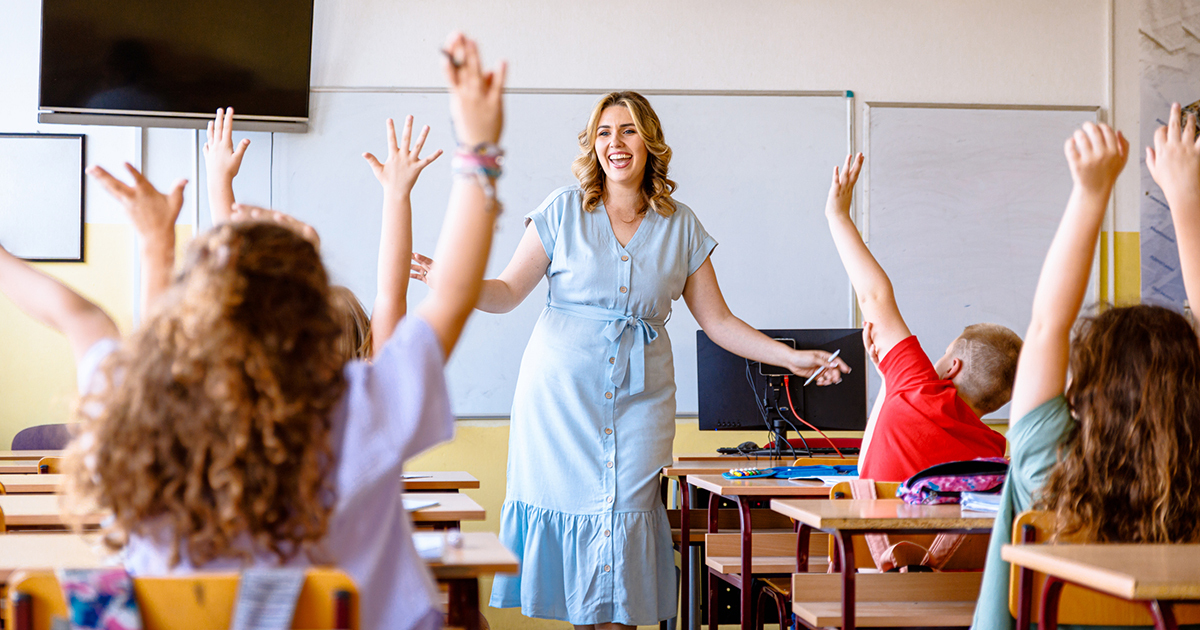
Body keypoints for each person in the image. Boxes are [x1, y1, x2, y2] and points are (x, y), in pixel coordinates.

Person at [0, 32, 502, 630]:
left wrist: (158, 246)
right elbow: (452, 293)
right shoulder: (362, 412)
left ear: (195, 316)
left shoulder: (138, 412)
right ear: (315, 319)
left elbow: (81, 317)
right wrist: (479, 146)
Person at [412, 90, 848, 628]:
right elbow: (504, 293)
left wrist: (790, 358)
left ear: (649, 141)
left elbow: (718, 321)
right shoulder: (562, 209)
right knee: (577, 536)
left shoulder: (682, 225)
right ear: (592, 145)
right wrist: (453, 283)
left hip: (642, 401)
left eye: (628, 130)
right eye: (604, 132)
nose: (615, 143)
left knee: (626, 527)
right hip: (560, 402)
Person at [973, 111, 1200, 630]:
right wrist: (1186, 197)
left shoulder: (1048, 468)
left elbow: (1047, 325)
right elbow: (1048, 327)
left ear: (1081, 394)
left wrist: (1091, 191)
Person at [822, 153, 1020, 482]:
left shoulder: (918, 388)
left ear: (953, 367)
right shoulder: (992, 451)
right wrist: (888, 381)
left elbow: (875, 295)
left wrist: (837, 215)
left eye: (945, 352)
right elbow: (867, 463)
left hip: (869, 519)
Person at [202, 107, 441, 361]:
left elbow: (233, 277)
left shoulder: (274, 376)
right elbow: (391, 294)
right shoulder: (376, 374)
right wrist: (397, 192)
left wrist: (219, 179)